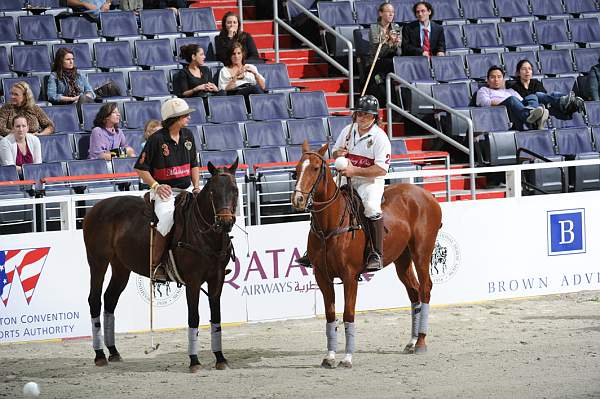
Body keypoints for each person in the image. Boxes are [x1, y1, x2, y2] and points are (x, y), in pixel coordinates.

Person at [297, 95, 391, 272]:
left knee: (371, 207)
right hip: (346, 177)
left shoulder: (380, 138)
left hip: (369, 181)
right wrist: (338, 153)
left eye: (365, 114)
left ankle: (376, 253)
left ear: (374, 117)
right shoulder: (349, 130)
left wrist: (355, 171)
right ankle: (312, 251)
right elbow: (334, 153)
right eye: (358, 113)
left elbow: (381, 170)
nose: (361, 117)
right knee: (324, 202)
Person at [134, 98, 200, 282]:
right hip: (165, 192)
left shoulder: (188, 135)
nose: (188, 117)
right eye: (184, 115)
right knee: (166, 220)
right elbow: (140, 168)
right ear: (174, 118)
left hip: (187, 188)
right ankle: (157, 266)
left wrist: (196, 187)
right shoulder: (156, 139)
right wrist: (156, 185)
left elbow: (194, 164)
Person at [476, 66, 549, 131]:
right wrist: (507, 101)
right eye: (492, 77)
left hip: (515, 111)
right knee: (512, 99)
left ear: (503, 80)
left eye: (499, 77)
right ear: (488, 80)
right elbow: (485, 102)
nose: (496, 80)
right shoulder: (484, 90)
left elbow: (521, 102)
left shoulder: (510, 91)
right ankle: (532, 118)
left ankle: (532, 115)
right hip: (501, 112)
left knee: (532, 96)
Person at [507, 59, 584, 120]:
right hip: (529, 109)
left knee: (554, 94)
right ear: (518, 73)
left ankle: (570, 103)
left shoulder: (536, 83)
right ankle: (569, 102)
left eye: (529, 69)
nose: (527, 71)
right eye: (524, 69)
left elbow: (546, 98)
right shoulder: (514, 86)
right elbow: (519, 102)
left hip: (543, 108)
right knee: (538, 95)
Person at [218, 41, 266, 108]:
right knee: (254, 88)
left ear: (242, 54)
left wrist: (255, 74)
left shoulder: (250, 67)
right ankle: (268, 107)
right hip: (236, 95)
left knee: (257, 89)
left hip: (252, 94)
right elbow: (224, 90)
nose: (236, 56)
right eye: (233, 54)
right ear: (230, 56)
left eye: (239, 53)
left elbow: (263, 87)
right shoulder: (224, 70)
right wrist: (236, 76)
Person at [368, 2, 402, 85]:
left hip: (393, 59)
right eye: (388, 11)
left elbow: (399, 52)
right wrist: (390, 42)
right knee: (390, 64)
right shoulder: (374, 29)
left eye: (393, 12)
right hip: (377, 61)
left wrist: (396, 44)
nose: (391, 14)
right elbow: (378, 53)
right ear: (380, 13)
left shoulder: (396, 28)